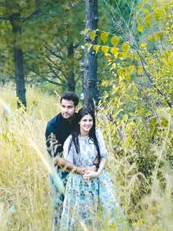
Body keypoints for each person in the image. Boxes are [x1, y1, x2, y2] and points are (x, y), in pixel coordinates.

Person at [56, 109, 124, 230]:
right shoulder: (71, 140)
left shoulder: (96, 134)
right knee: (82, 217)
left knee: (109, 210)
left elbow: (103, 156)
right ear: (78, 122)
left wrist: (97, 172)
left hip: (99, 179)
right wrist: (86, 171)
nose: (88, 123)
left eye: (90, 120)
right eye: (84, 120)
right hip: (79, 182)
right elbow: (69, 165)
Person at [45, 91, 85, 225]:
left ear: (75, 107)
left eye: (69, 107)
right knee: (58, 209)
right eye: (63, 106)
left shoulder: (81, 121)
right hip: (60, 172)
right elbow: (56, 159)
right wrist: (78, 170)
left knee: (79, 209)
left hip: (81, 170)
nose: (65, 110)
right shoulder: (52, 126)